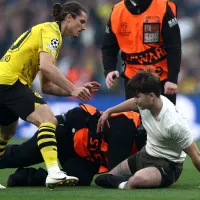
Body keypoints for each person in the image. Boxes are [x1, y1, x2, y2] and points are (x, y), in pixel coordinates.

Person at [0, 1, 101, 189]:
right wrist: (72, 89)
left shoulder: (49, 34)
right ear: (68, 18)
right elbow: (47, 66)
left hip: (4, 82)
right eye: (81, 21)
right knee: (49, 120)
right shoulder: (52, 33)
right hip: (11, 81)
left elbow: (46, 86)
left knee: (7, 132)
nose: (84, 27)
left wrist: (76, 89)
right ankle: (54, 171)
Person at [94, 70, 200, 189]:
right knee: (105, 178)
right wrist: (109, 111)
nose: (135, 99)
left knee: (136, 181)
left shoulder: (174, 123)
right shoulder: (145, 103)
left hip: (168, 165)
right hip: (145, 154)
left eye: (137, 96)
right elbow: (132, 104)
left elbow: (196, 155)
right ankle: (129, 181)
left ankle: (125, 183)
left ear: (151, 96)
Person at [0, 104, 146, 187]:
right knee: (20, 155)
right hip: (66, 132)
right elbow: (115, 173)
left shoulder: (140, 139)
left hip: (83, 156)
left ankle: (22, 178)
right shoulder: (126, 126)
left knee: (77, 180)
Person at [102, 0, 181, 104]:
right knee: (134, 119)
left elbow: (174, 46)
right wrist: (109, 69)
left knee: (165, 120)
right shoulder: (117, 11)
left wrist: (172, 79)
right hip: (133, 80)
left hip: (162, 80)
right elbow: (109, 46)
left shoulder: (162, 7)